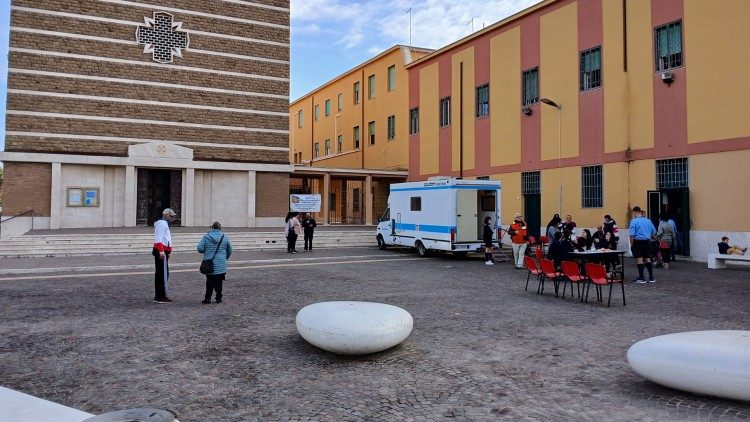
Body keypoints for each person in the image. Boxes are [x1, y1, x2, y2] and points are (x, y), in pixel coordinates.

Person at [197, 221, 233, 304]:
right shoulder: (225, 237)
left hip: (209, 263)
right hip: (221, 264)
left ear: (212, 228)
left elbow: (200, 248)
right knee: (219, 281)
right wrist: (225, 258)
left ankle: (207, 298)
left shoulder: (206, 237)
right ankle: (218, 297)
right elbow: (230, 250)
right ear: (220, 228)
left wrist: (207, 251)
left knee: (209, 281)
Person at [153, 208, 177, 304]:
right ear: (166, 215)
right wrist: (161, 252)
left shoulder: (164, 224)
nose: (172, 218)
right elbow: (159, 239)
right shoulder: (162, 224)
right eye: (171, 216)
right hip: (160, 252)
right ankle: (160, 296)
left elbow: (166, 239)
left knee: (162, 273)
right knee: (161, 274)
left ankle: (161, 295)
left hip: (163, 251)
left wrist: (168, 251)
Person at [629, 206, 656, 284]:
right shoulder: (648, 221)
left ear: (634, 212)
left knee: (639, 259)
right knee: (647, 258)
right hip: (647, 241)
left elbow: (632, 235)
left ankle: (641, 278)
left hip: (638, 242)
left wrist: (632, 245)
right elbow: (654, 232)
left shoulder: (634, 221)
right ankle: (651, 278)